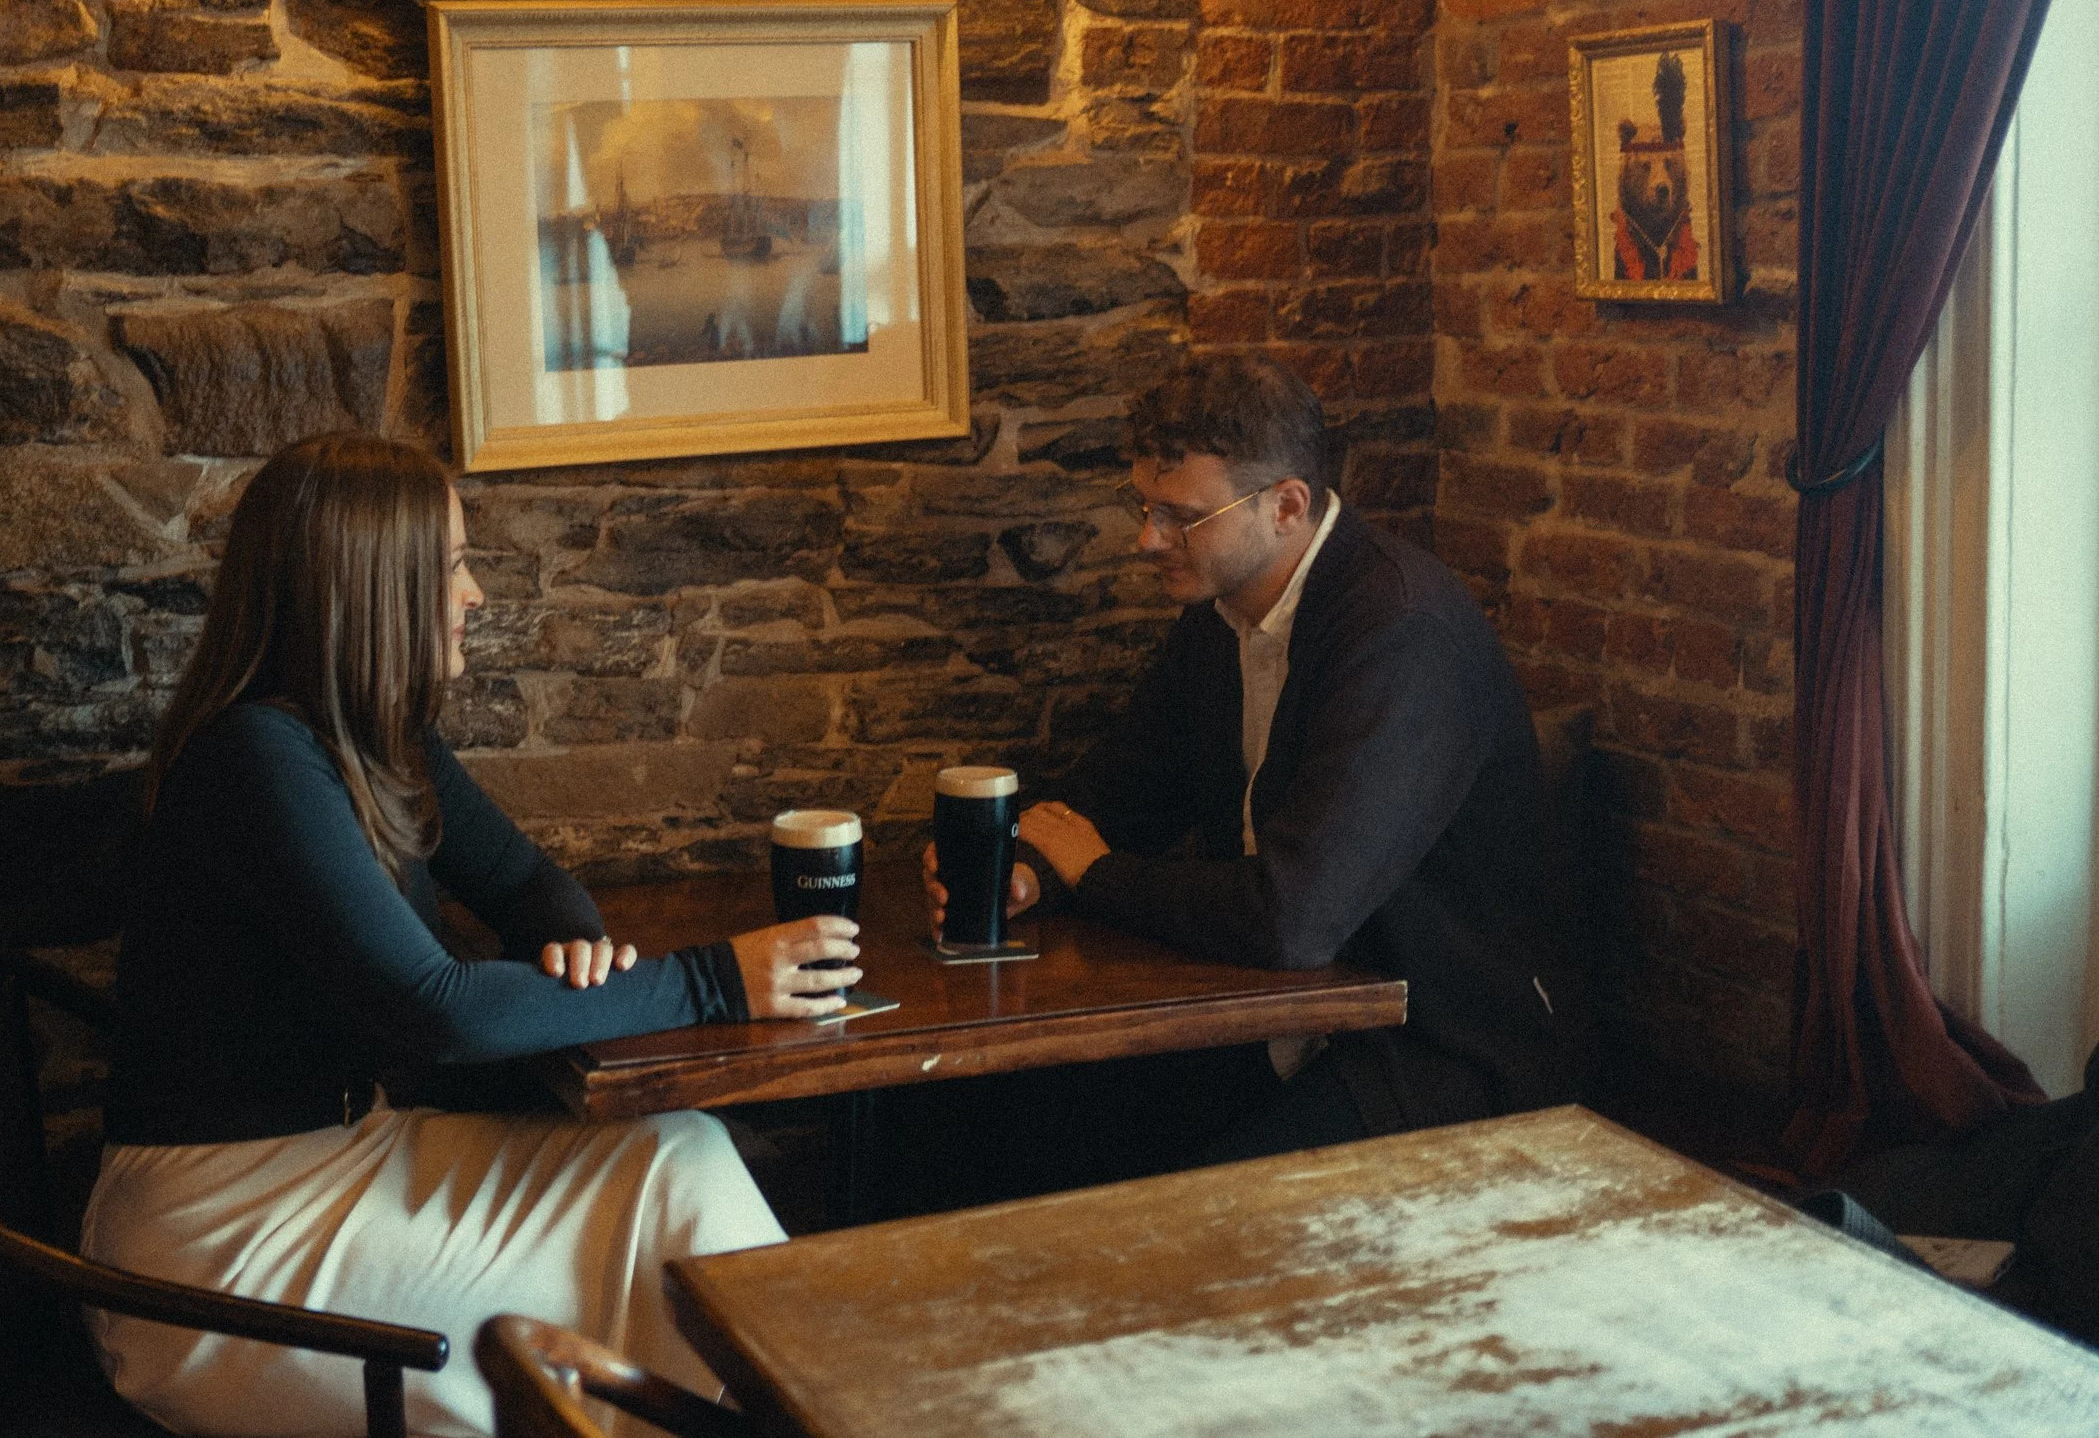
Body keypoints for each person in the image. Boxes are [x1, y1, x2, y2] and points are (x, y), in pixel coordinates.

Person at [82, 432, 858, 1438]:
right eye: (451, 563)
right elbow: (434, 1012)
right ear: (375, 583)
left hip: (343, 1155)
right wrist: (715, 981)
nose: (475, 592)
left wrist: (573, 943)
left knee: (681, 1157)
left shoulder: (377, 733)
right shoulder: (255, 758)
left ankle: (797, 1415)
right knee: (655, 1275)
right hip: (218, 1233)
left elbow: (527, 880)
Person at [904, 356, 1574, 1204]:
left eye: (1181, 517)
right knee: (973, 1127)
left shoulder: (1400, 637)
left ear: (1286, 506)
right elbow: (1126, 785)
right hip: (1275, 1021)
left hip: (1436, 1051)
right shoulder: (1223, 610)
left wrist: (1097, 873)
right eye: (1143, 507)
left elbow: (1293, 919)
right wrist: (1025, 869)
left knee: (1180, 1206)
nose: (1146, 540)